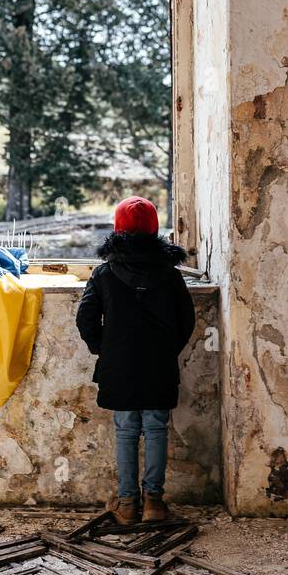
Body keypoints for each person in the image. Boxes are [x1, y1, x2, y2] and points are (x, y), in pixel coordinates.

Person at [75, 196, 196, 524]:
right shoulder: (170, 275)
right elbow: (187, 320)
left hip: (120, 365)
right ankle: (154, 503)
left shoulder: (104, 273)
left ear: (117, 228)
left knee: (126, 430)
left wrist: (104, 349)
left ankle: (127, 505)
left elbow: (85, 319)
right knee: (156, 428)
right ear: (155, 230)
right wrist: (169, 349)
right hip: (159, 363)